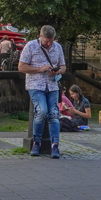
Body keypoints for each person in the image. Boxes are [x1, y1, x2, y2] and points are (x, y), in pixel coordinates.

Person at [18, 25, 66, 158]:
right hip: (36, 85)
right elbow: (21, 67)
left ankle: (55, 145)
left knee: (54, 115)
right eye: (46, 41)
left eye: (51, 41)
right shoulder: (31, 46)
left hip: (52, 86)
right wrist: (40, 69)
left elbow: (63, 67)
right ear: (40, 37)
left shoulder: (58, 47)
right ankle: (36, 143)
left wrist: (58, 70)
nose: (49, 44)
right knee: (42, 111)